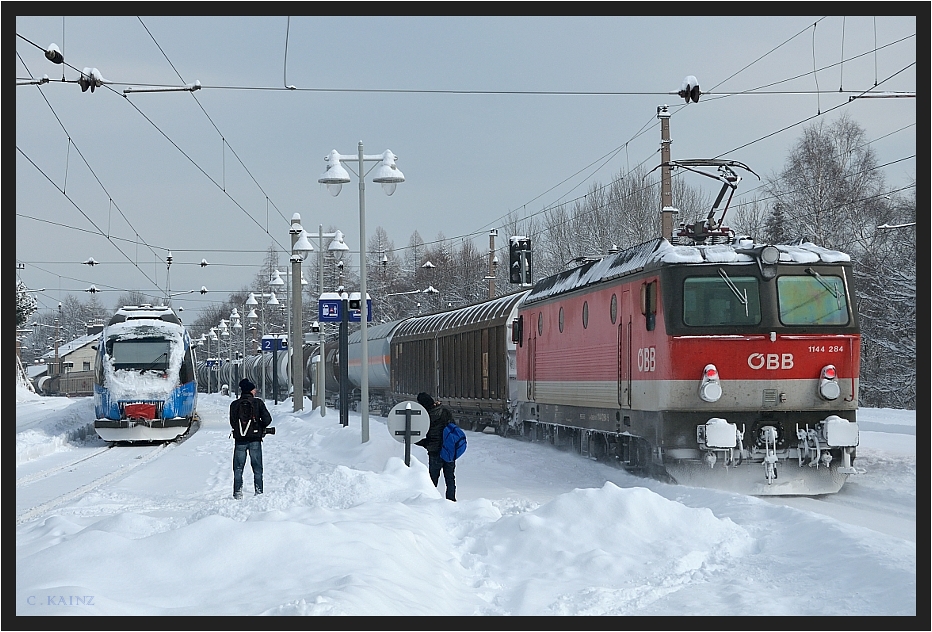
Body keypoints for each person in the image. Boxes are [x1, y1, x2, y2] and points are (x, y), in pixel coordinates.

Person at [230, 378, 272, 499]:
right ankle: (259, 492)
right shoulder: (258, 403)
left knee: (238, 468)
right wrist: (259, 427)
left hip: (240, 441)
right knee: (257, 468)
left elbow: (233, 422)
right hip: (255, 440)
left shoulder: (234, 404)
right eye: (254, 389)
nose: (256, 391)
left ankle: (238, 493)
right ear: (250, 390)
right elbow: (267, 420)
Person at [415, 392, 456, 501]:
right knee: (450, 478)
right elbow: (453, 427)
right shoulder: (444, 411)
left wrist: (416, 441)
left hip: (435, 452)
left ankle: (431, 500)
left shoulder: (426, 416)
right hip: (449, 450)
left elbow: (430, 438)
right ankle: (451, 500)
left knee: (432, 479)